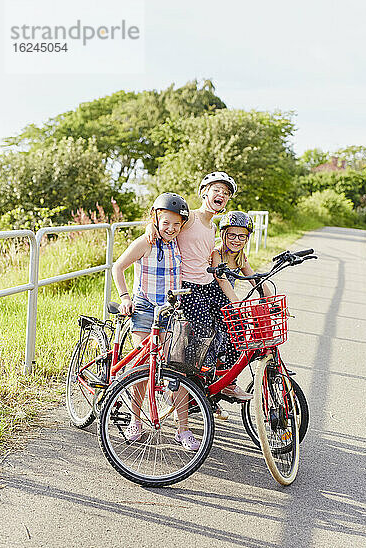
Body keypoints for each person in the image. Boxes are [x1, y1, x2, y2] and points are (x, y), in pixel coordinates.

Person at [146, 172, 252, 409]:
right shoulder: (190, 218)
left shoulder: (212, 226)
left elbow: (212, 258)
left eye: (225, 194)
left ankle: (225, 380)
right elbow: (166, 222)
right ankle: (189, 388)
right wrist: (150, 227)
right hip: (187, 288)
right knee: (204, 330)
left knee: (237, 324)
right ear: (204, 192)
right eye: (217, 190)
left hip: (207, 285)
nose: (221, 196)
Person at [112, 192, 200, 451]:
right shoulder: (146, 242)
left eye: (176, 224)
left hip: (172, 310)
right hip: (146, 307)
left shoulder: (179, 238)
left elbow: (199, 219)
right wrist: (125, 297)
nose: (171, 228)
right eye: (165, 223)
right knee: (142, 367)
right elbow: (118, 267)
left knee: (177, 368)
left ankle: (183, 429)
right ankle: (135, 421)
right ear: (155, 219)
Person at [209, 211, 273, 371]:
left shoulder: (240, 257)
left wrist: (270, 296)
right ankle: (222, 375)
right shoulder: (216, 254)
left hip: (228, 303)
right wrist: (237, 304)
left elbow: (254, 278)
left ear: (247, 238)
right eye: (231, 235)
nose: (236, 240)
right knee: (233, 332)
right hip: (213, 302)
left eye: (241, 236)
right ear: (223, 234)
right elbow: (222, 280)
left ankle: (229, 377)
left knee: (240, 336)